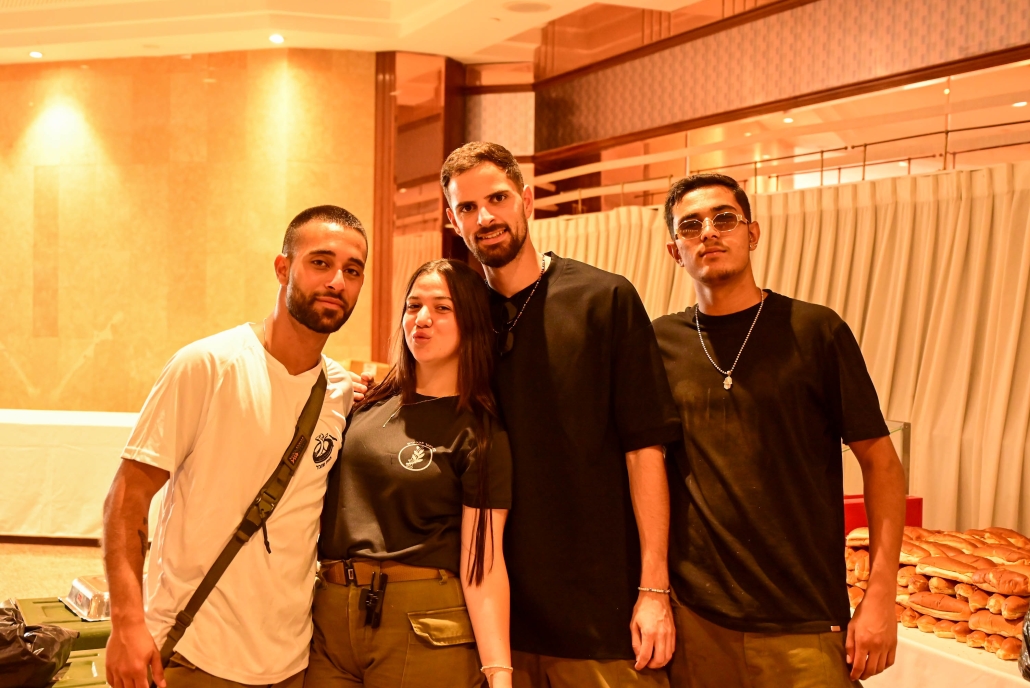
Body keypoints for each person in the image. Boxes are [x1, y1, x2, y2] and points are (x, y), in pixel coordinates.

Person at [441, 142, 682, 688]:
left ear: (526, 200)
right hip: (493, 626)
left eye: (497, 198)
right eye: (467, 208)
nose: (485, 217)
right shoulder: (461, 319)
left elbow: (645, 449)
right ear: (454, 223)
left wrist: (654, 589)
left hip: (601, 618)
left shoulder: (604, 298)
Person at [653, 173, 906, 687]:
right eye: (691, 225)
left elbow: (881, 462)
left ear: (753, 233)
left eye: (725, 218)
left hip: (805, 620)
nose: (709, 232)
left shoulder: (815, 331)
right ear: (675, 251)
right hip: (697, 622)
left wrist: (881, 593)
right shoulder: (658, 345)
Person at [102, 205, 370, 688]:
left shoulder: (339, 391)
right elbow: (126, 501)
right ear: (283, 268)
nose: (337, 281)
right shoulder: (207, 365)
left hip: (291, 659)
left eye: (352, 271)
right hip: (193, 649)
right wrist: (126, 623)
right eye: (320, 262)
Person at [308, 258, 513, 688]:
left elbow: (484, 562)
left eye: (442, 308)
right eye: (413, 305)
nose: (421, 319)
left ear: (473, 323)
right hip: (329, 616)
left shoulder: (479, 431)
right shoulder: (365, 406)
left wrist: (499, 673)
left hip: (421, 622)